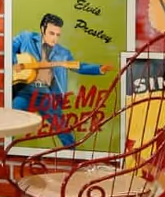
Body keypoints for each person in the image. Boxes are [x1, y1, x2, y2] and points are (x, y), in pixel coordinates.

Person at [11, 13, 112, 146]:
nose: (54, 39)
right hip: (24, 90)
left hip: (45, 93)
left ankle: (72, 154)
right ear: (42, 29)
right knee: (11, 123)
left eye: (58, 35)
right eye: (51, 33)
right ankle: (3, 150)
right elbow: (8, 47)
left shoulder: (63, 53)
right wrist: (14, 62)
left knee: (62, 129)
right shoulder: (26, 38)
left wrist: (98, 69)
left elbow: (77, 66)